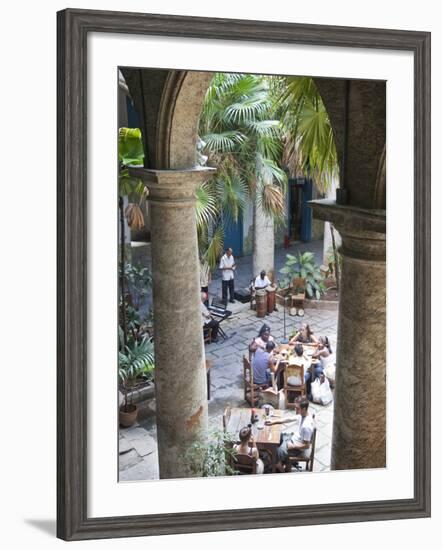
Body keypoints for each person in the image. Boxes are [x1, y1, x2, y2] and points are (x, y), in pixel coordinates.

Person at [265, 396, 314, 472]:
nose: (295, 409)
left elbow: (307, 445)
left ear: (304, 409)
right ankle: (281, 462)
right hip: (294, 438)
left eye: (297, 408)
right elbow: (289, 419)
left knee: (276, 452)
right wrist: (274, 421)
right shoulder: (304, 414)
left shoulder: (306, 426)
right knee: (278, 436)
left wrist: (293, 446)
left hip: (297, 447)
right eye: (295, 407)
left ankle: (282, 471)